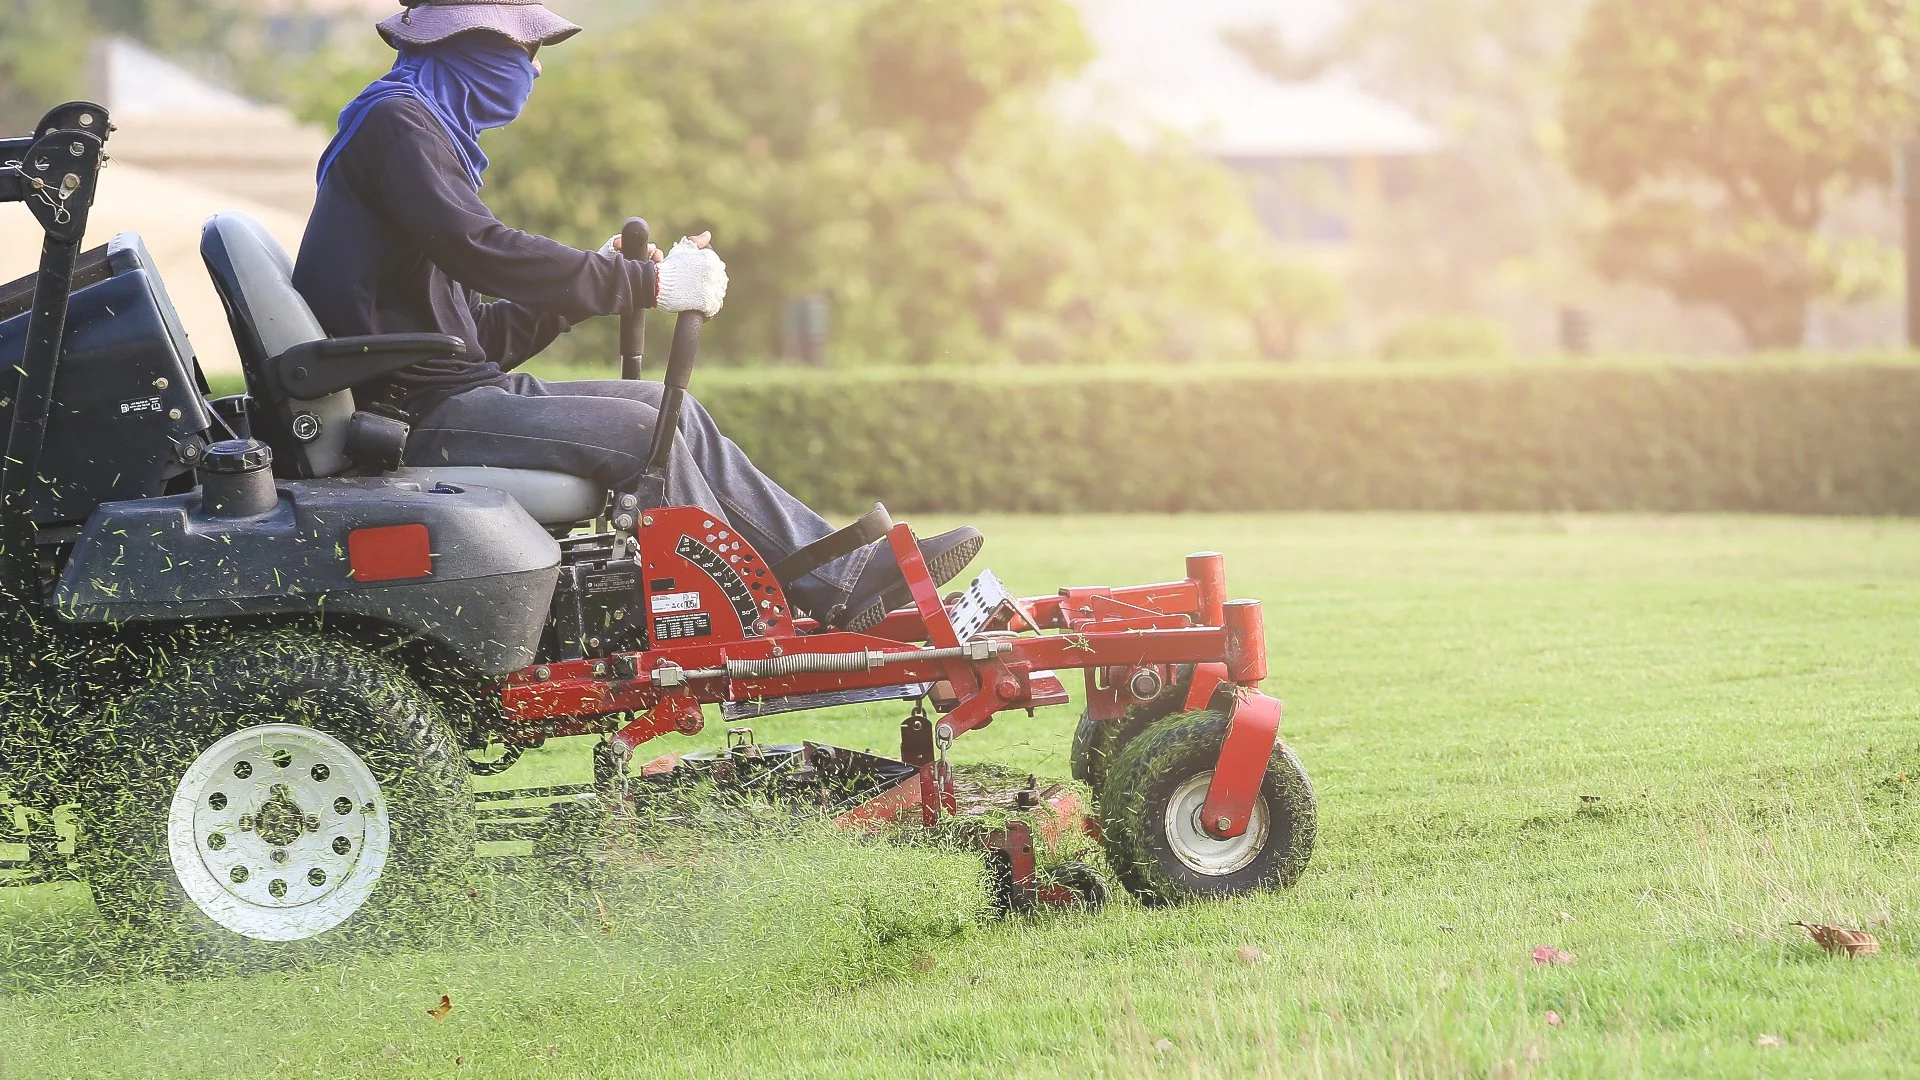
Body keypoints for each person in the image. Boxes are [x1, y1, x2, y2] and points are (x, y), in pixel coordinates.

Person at [291, 0, 982, 632]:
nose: (533, 70)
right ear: (471, 49)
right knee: (642, 425)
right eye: (524, 52)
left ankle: (842, 580)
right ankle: (738, 612)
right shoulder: (397, 124)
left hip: (443, 393)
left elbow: (478, 339)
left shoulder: (415, 128)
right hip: (409, 413)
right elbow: (486, 251)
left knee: (665, 405)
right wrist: (641, 281)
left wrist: (595, 284)